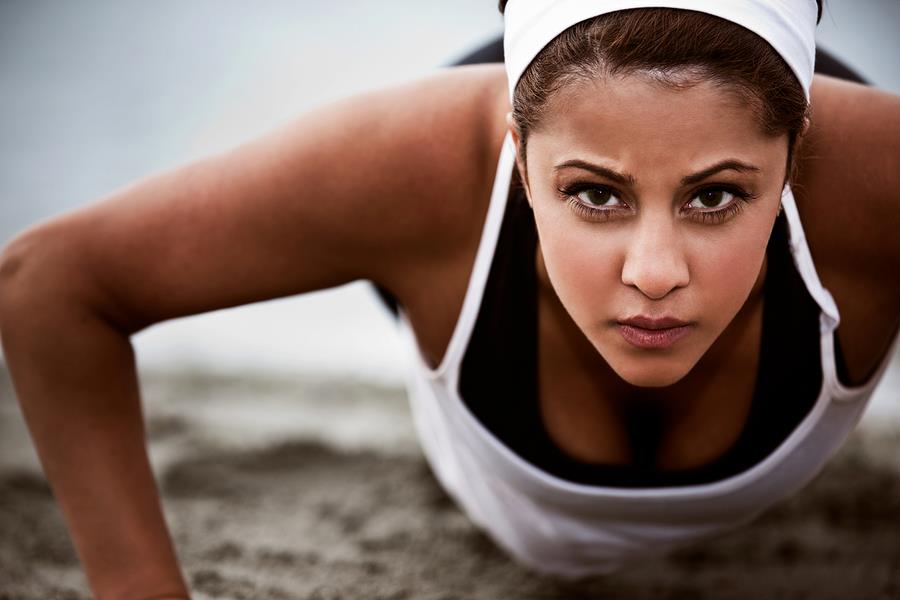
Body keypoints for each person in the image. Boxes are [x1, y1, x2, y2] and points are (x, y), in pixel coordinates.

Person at [0, 0, 897, 597]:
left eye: (714, 197)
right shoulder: (420, 172)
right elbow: (50, 283)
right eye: (596, 193)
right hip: (467, 224)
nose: (654, 271)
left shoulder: (873, 184)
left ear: (798, 153)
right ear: (516, 150)